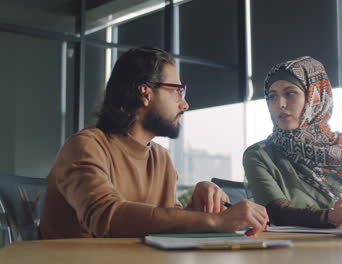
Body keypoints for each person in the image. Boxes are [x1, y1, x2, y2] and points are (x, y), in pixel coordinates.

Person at [40, 46, 268, 239]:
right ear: (145, 93)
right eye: (177, 91)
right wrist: (212, 221)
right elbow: (105, 218)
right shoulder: (86, 146)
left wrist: (198, 206)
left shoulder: (160, 158)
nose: (185, 104)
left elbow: (162, 225)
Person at [243, 56, 342, 227]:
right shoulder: (259, 154)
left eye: (289, 93)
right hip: (289, 247)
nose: (280, 104)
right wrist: (329, 217)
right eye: (272, 97)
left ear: (315, 96)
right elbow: (275, 214)